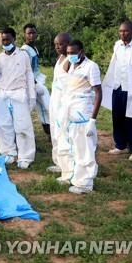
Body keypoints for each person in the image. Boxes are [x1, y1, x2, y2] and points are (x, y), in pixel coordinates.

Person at [102, 20, 132, 162]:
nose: (122, 34)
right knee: (117, 117)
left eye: (125, 31)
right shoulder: (117, 46)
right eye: (120, 31)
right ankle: (120, 145)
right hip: (117, 87)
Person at [57, 40, 102, 194]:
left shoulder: (91, 67)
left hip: (83, 114)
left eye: (73, 53)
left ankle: (85, 184)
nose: (70, 55)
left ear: (82, 52)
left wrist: (92, 120)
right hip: (70, 112)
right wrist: (69, 61)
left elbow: (98, 93)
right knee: (73, 146)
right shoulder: (70, 65)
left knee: (84, 149)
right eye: (68, 53)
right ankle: (72, 176)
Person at [0, 27, 36, 169]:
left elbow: (29, 75)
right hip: (3, 95)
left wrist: (32, 96)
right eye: (3, 40)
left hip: (19, 94)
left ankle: (25, 156)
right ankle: (8, 153)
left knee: (22, 126)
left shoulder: (23, 55)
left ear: (14, 39)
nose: (5, 42)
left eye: (8, 39)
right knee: (3, 126)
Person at [47, 33, 72, 173]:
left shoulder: (70, 61)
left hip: (64, 102)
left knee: (63, 133)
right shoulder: (60, 58)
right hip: (54, 100)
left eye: (60, 44)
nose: (57, 47)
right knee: (55, 132)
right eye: (56, 44)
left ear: (68, 43)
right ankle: (58, 161)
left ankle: (67, 165)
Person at [21, 23, 51, 135]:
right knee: (44, 106)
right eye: (29, 33)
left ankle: (49, 134)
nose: (32, 35)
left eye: (33, 32)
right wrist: (34, 84)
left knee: (43, 108)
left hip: (38, 79)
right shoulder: (24, 50)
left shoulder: (34, 47)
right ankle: (25, 135)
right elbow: (25, 69)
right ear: (25, 34)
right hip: (32, 83)